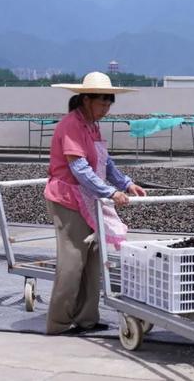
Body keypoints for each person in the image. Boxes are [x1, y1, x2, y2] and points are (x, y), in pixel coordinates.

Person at [44, 71, 147, 335]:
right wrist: (110, 192)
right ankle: (58, 322)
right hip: (68, 198)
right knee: (73, 261)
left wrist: (125, 183)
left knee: (93, 260)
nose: (106, 109)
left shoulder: (92, 125)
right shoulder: (71, 125)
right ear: (86, 100)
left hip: (89, 197)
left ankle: (87, 318)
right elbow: (78, 167)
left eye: (109, 104)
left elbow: (104, 161)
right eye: (102, 103)